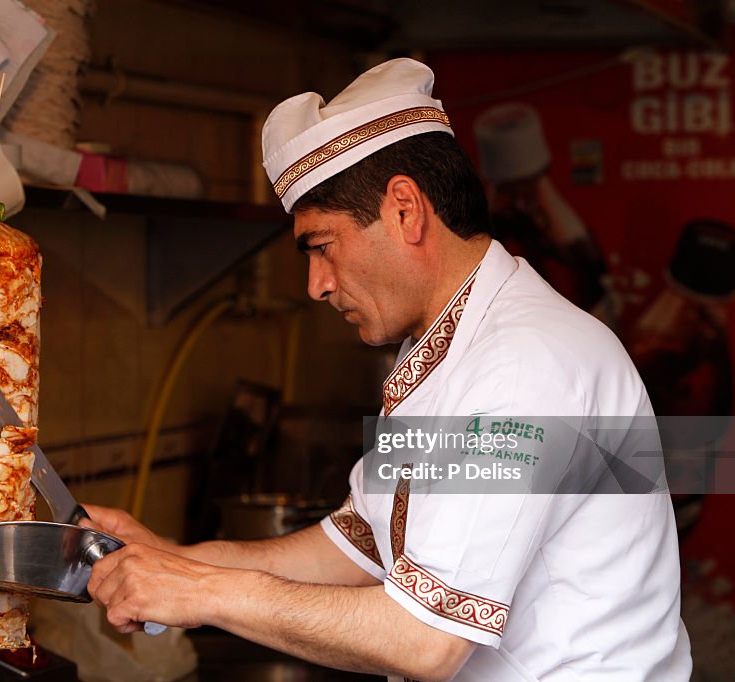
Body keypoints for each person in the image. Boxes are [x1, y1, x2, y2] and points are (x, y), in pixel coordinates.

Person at [83, 59, 691, 681]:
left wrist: (199, 594)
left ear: (405, 209)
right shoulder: (441, 345)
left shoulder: (521, 362)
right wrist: (178, 561)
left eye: (322, 246)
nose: (316, 286)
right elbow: (359, 546)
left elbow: (424, 640)